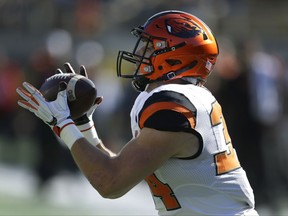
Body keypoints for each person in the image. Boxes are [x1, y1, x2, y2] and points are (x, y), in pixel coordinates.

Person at [16, 10, 258, 216]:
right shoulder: (181, 98)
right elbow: (117, 166)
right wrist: (82, 125)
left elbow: (110, 183)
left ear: (173, 57)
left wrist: (62, 124)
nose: (140, 53)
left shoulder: (172, 105)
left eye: (150, 46)